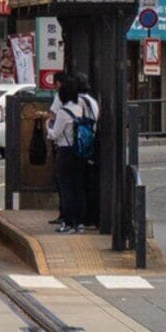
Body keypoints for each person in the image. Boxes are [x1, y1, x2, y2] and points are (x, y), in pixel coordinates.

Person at [53, 74, 101, 234]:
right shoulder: (91, 102)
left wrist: (48, 127)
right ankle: (82, 221)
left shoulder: (73, 105)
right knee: (80, 185)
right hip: (86, 147)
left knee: (67, 187)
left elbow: (55, 134)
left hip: (68, 149)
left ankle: (69, 221)